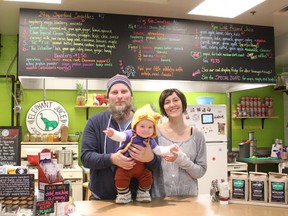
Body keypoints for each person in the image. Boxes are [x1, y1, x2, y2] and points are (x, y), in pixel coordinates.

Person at [81, 74, 161, 201]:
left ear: (131, 95)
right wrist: (111, 159)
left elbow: (157, 164)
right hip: (101, 200)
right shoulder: (95, 122)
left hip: (137, 201)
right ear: (108, 97)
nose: (119, 96)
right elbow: (86, 158)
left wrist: (150, 158)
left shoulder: (146, 123)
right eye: (114, 92)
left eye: (124, 91)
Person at [103, 104, 178, 203]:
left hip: (142, 168)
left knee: (147, 178)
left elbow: (158, 150)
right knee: (120, 178)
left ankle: (143, 193)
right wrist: (112, 134)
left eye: (150, 127)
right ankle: (124, 194)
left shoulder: (150, 140)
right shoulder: (130, 134)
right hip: (126, 166)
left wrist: (170, 148)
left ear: (154, 129)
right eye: (142, 126)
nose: (146, 130)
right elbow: (120, 136)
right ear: (135, 125)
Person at [152, 88, 207, 197]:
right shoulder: (154, 133)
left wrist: (181, 160)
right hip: (160, 200)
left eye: (176, 100)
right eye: (167, 102)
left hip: (189, 199)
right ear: (163, 108)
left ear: (183, 103)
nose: (172, 105)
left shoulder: (197, 135)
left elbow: (200, 172)